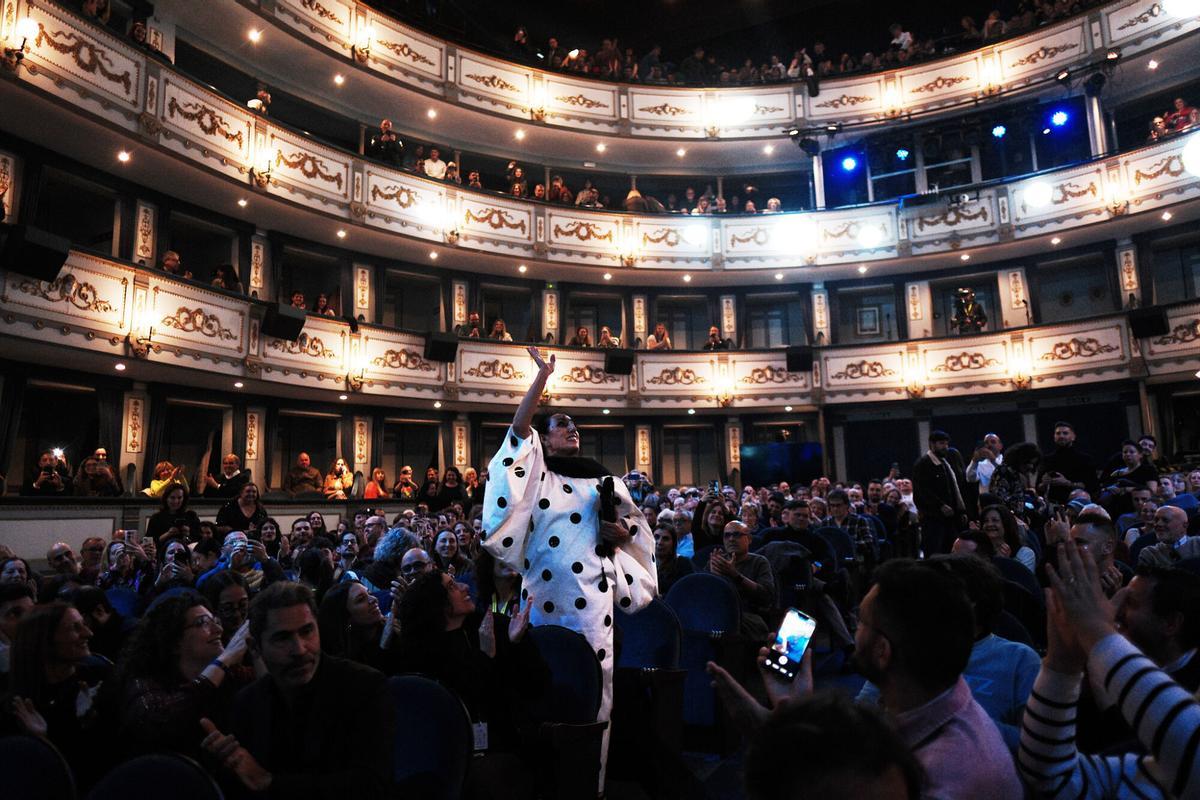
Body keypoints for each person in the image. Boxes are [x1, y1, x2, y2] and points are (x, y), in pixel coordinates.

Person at [482, 346, 656, 787]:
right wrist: (541, 380)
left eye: (573, 424)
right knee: (543, 690)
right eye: (561, 424)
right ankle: (543, 783)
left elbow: (633, 533)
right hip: (541, 600)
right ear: (546, 437)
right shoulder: (538, 471)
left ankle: (589, 786)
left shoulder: (603, 479)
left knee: (596, 694)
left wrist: (622, 538)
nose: (571, 428)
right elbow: (518, 432)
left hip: (593, 600)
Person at [1018, 542, 1200, 798]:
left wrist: (1096, 633)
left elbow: (1191, 746)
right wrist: (1061, 664)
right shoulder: (1142, 767)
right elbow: (1051, 778)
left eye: (1131, 604)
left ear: (1170, 623)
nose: (1114, 611)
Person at [200, 583, 395, 796]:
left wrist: (270, 783)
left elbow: (372, 785)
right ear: (255, 647)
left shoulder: (363, 687)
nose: (300, 650)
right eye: (282, 638)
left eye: (307, 631)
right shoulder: (248, 703)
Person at [114, 591, 250, 759]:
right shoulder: (143, 681)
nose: (218, 629)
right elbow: (159, 720)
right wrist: (224, 660)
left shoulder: (226, 673)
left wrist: (256, 648)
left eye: (215, 621)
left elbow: (267, 690)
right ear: (173, 640)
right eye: (202, 623)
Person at [7, 602, 111, 788]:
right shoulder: (17, 704)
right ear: (45, 640)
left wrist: (93, 721)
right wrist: (40, 743)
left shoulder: (98, 678)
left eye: (84, 624)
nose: (88, 633)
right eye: (75, 628)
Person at [706, 520, 775, 639]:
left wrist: (735, 575)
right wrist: (714, 578)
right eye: (727, 535)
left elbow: (766, 596)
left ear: (749, 539)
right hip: (717, 614)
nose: (731, 539)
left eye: (737, 535)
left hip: (748, 617)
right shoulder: (717, 562)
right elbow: (702, 596)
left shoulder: (759, 562)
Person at [912, 430, 968, 555]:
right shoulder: (923, 464)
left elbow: (954, 490)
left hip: (950, 519)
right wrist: (940, 505)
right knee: (935, 552)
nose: (945, 447)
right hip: (933, 519)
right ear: (932, 444)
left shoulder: (945, 464)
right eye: (942, 443)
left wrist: (960, 511)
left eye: (946, 444)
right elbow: (922, 491)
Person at [1038, 420, 1099, 502]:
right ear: (1054, 437)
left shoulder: (1085, 459)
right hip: (1053, 504)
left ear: (1073, 437)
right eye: (1058, 433)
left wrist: (1066, 483)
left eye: (1065, 433)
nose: (1061, 436)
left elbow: (1092, 486)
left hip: (1078, 504)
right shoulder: (1046, 460)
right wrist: (1045, 483)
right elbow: (1038, 487)